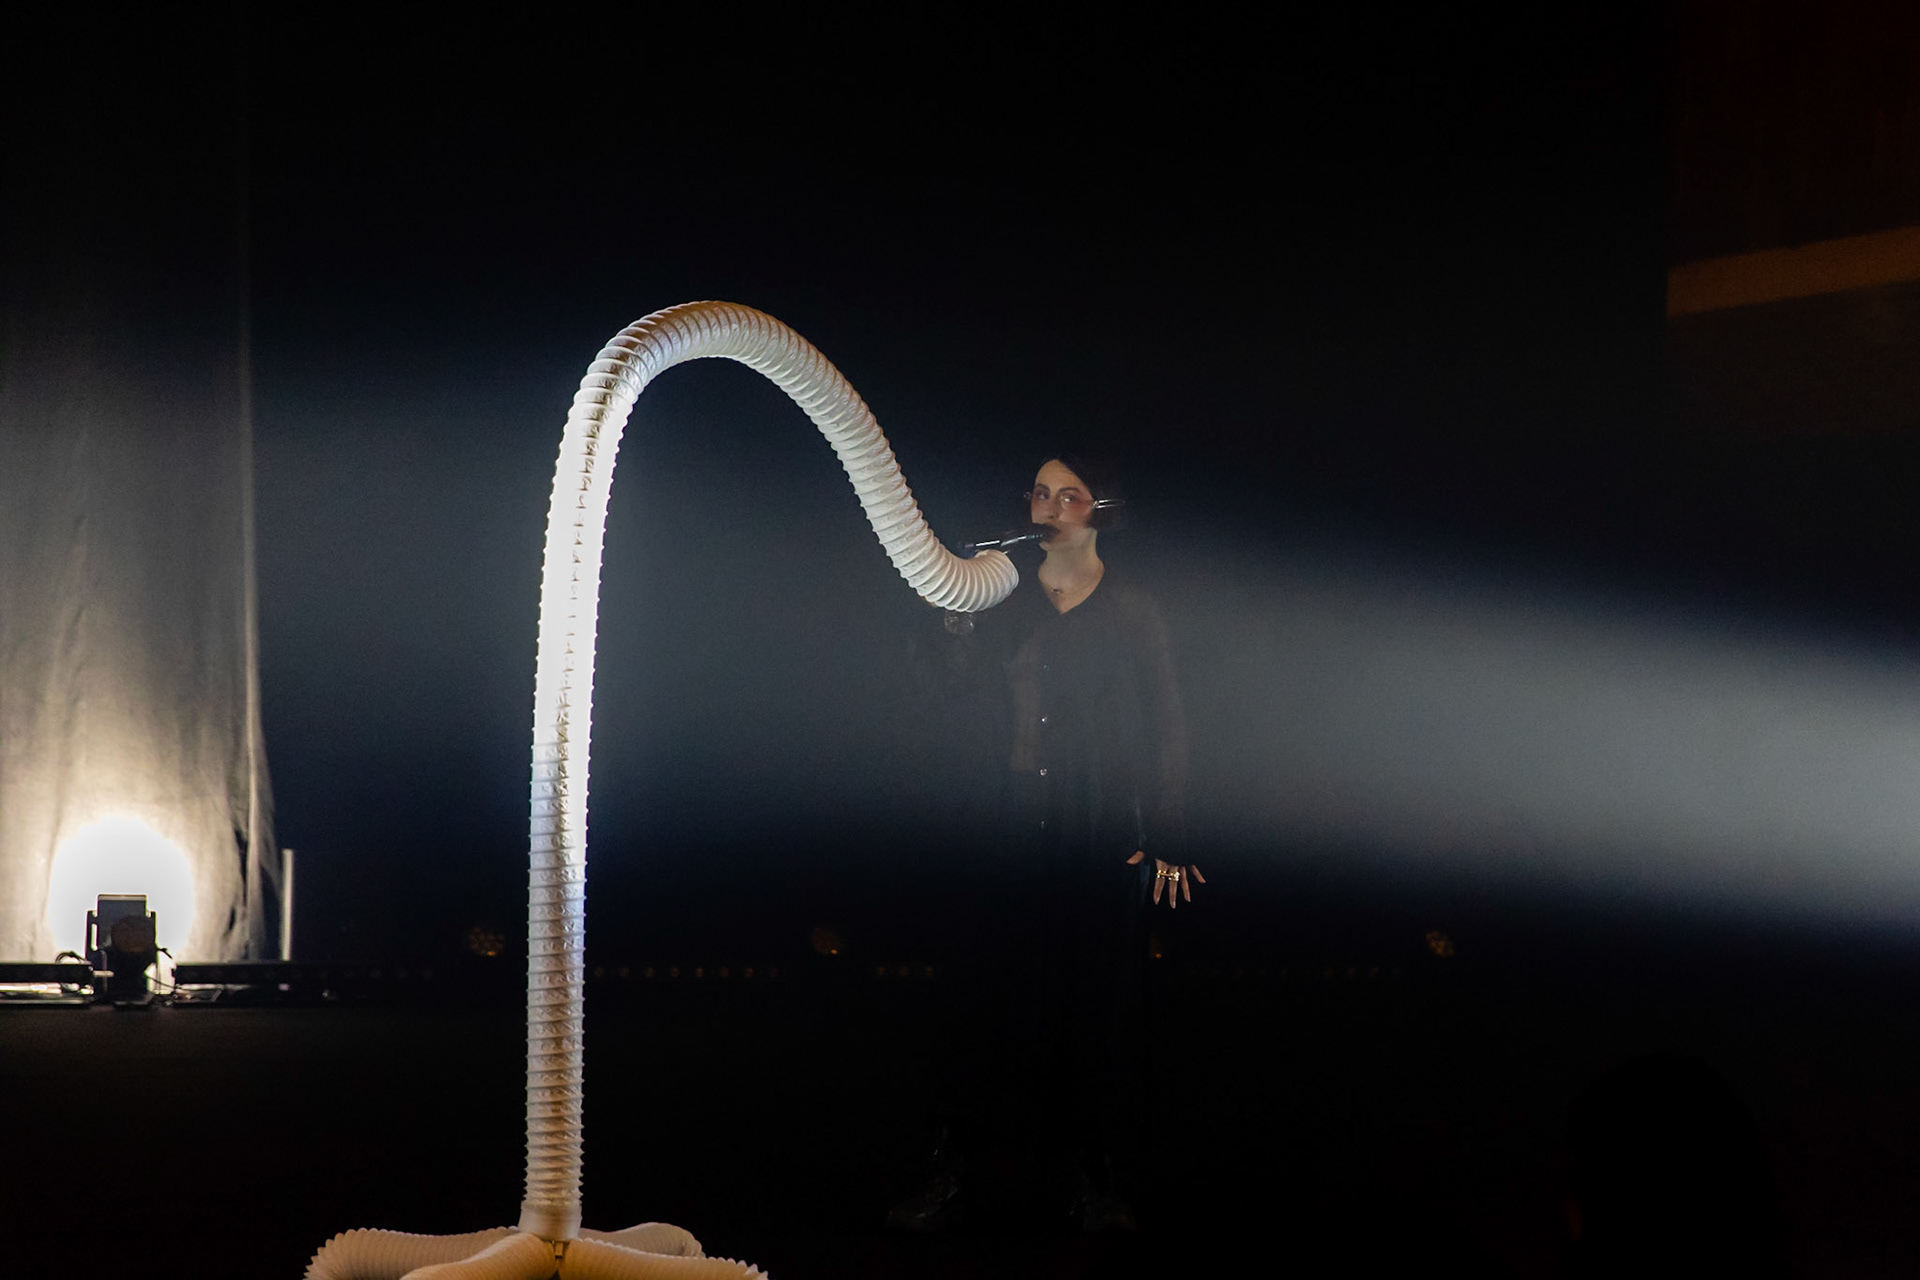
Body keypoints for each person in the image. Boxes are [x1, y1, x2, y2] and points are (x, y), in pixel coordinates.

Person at [890, 452, 1200, 1233]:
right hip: (1006, 818)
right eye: (1040, 492)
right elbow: (942, 693)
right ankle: (955, 1165)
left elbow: (1168, 726)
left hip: (1096, 825)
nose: (1050, 507)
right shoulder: (1002, 600)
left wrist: (1163, 836)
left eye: (1069, 495)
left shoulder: (1134, 611)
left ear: (1101, 509)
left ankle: (1092, 1176)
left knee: (1092, 1002)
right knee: (982, 995)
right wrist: (952, 622)